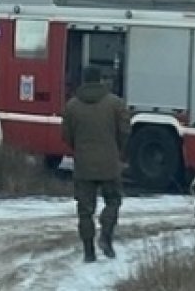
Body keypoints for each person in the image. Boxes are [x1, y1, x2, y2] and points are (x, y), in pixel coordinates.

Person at [61, 65, 130, 263]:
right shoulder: (115, 104)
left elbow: (66, 135)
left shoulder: (72, 105)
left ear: (83, 80)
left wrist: (79, 148)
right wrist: (117, 149)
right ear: (100, 80)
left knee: (84, 210)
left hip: (83, 165)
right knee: (113, 201)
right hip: (109, 163)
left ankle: (88, 251)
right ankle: (106, 236)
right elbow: (125, 131)